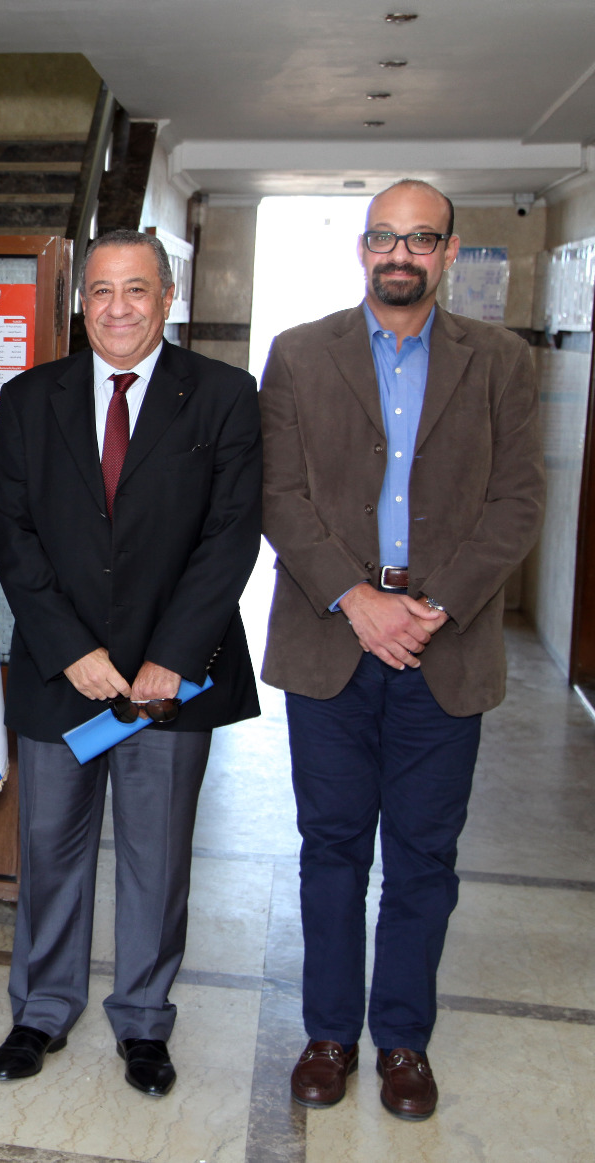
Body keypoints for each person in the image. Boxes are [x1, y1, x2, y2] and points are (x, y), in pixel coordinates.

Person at [261, 180, 544, 1121]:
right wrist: (358, 599)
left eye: (421, 239)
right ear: (362, 247)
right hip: (330, 643)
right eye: (385, 236)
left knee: (424, 855)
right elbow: (279, 496)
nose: (400, 253)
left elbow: (517, 503)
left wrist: (433, 606)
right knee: (332, 847)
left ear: (449, 252)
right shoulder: (300, 354)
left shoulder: (500, 362)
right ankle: (329, 1034)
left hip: (443, 649)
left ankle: (404, 1040)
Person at [0, 229, 262, 1097]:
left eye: (136, 289)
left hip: (170, 685)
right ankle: (41, 1009)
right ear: (81, 303)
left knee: (157, 855)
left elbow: (231, 536)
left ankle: (144, 1020)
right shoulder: (29, 398)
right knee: (49, 850)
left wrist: (171, 659)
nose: (117, 307)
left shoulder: (224, 395)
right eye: (101, 291)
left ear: (167, 297)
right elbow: (14, 535)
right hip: (63, 672)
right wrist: (72, 650)